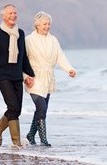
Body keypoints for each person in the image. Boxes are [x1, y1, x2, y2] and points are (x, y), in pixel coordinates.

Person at [0, 4, 35, 148]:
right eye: (10, 13)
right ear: (3, 16)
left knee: (16, 109)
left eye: (15, 13)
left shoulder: (21, 33)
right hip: (2, 76)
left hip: (17, 75)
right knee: (12, 105)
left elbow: (23, 57)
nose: (13, 15)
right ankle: (16, 142)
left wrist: (30, 75)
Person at [24, 11, 77, 146]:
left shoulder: (53, 40)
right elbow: (22, 61)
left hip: (48, 79)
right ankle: (44, 140)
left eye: (49, 24)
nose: (47, 26)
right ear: (37, 24)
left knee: (42, 110)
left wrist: (69, 69)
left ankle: (30, 135)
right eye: (44, 24)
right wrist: (25, 77)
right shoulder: (29, 40)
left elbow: (60, 57)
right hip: (34, 78)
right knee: (41, 107)